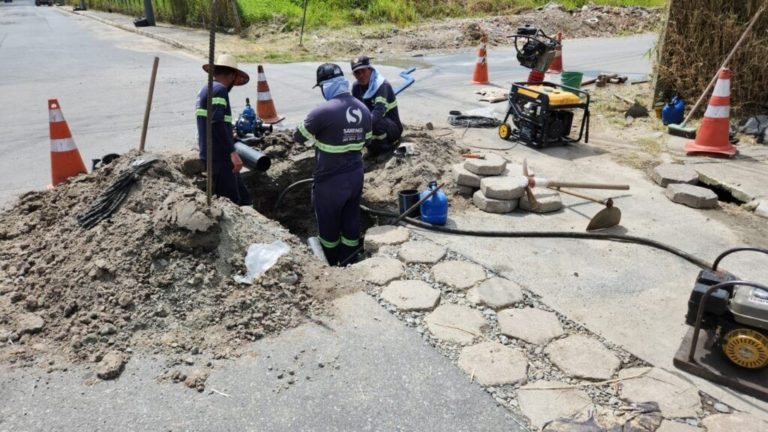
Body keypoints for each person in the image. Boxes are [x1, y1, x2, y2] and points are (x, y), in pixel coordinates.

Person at [294, 64, 372, 266]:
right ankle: (350, 260)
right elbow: (368, 140)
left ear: (326, 85)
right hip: (355, 176)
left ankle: (330, 263)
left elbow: (298, 136)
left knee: (328, 225)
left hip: (330, 181)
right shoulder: (364, 109)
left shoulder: (322, 112)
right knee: (350, 219)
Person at [195, 54, 251, 205]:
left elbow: (212, 121)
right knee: (230, 201)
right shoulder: (220, 90)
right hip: (220, 156)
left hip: (213, 153)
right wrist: (232, 153)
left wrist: (229, 130)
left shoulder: (206, 89)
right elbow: (216, 122)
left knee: (243, 197)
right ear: (232, 75)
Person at [350, 55, 403, 157]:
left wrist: (363, 124)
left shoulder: (381, 85)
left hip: (392, 128)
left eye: (363, 71)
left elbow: (379, 111)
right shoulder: (356, 87)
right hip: (372, 123)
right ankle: (372, 148)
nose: (361, 75)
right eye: (357, 72)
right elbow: (356, 110)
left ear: (370, 69)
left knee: (374, 123)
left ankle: (386, 149)